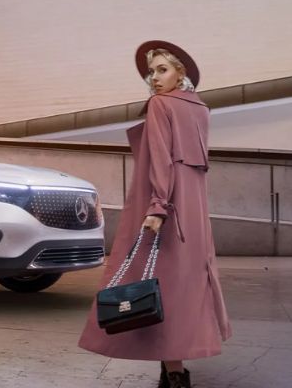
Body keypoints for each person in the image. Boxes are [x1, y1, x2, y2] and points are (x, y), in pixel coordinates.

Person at [77, 41, 232, 388]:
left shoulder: (161, 104)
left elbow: (162, 159)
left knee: (152, 284)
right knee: (182, 288)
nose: (155, 78)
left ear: (182, 73)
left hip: (165, 208)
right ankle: (173, 368)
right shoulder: (201, 108)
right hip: (193, 214)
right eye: (152, 71)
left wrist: (158, 208)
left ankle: (175, 374)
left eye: (163, 69)